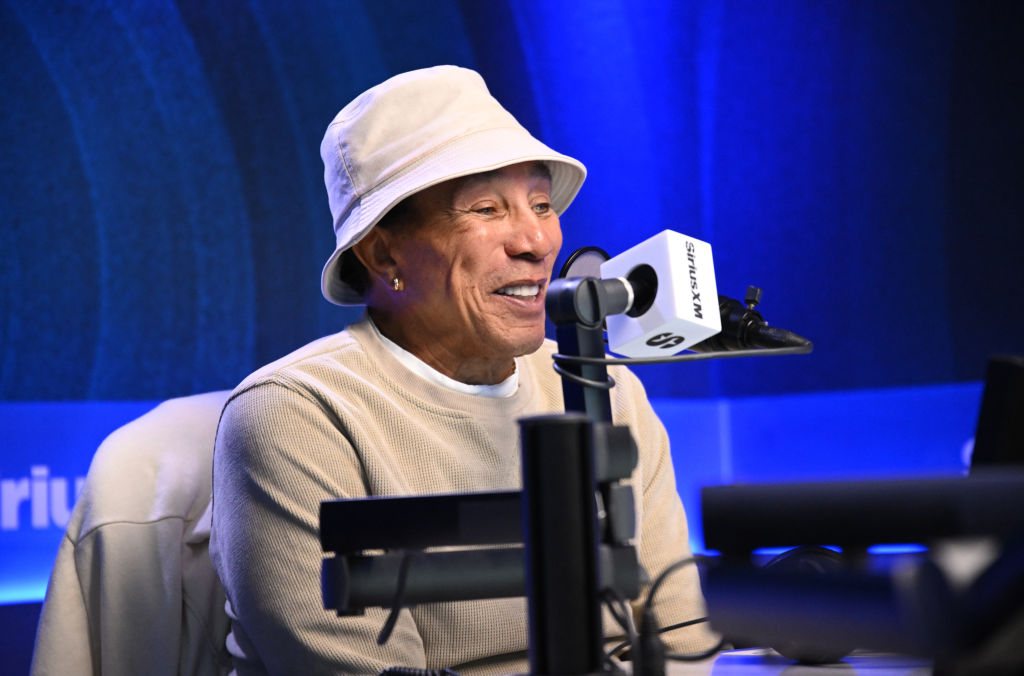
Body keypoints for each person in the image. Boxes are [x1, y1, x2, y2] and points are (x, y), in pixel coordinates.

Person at [210, 65, 717, 676]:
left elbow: (683, 644)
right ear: (383, 253)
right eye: (486, 209)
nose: (537, 241)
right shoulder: (294, 414)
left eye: (540, 204)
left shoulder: (608, 392)